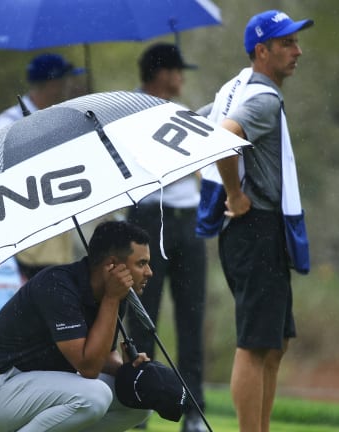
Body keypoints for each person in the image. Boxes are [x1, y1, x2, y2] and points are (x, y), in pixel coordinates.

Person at [208, 10, 314, 432]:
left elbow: (206, 122)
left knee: (275, 343)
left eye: (295, 42)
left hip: (257, 233)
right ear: (262, 51)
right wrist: (234, 193)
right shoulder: (264, 98)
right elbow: (223, 140)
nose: (297, 51)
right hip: (255, 230)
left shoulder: (240, 90)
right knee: (255, 345)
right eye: (287, 43)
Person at [0, 221, 153, 431]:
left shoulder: (115, 294)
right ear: (112, 265)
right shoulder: (57, 284)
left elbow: (104, 356)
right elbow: (88, 367)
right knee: (95, 396)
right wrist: (111, 299)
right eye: (141, 263)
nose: (149, 272)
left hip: (38, 386)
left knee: (139, 399)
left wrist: (127, 370)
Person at [126, 42, 208, 432]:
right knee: (143, 320)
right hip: (147, 220)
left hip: (188, 219)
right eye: (177, 70)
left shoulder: (180, 113)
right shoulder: (128, 112)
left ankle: (193, 412)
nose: (182, 77)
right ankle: (139, 407)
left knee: (192, 318)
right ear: (160, 73)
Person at [0, 52, 87, 280]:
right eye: (65, 80)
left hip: (60, 237)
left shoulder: (65, 118)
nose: (69, 86)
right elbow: (0, 176)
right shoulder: (7, 123)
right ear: (53, 84)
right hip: (26, 240)